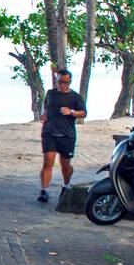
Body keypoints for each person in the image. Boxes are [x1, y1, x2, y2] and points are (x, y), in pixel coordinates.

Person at [39, 69, 87, 203]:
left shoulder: (76, 97)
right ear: (57, 80)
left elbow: (83, 113)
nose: (62, 85)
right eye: (60, 82)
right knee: (48, 161)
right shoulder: (50, 93)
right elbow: (45, 106)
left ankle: (66, 185)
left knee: (65, 164)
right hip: (49, 132)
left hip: (67, 134)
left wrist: (70, 111)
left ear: (69, 82)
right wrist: (44, 114)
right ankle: (44, 190)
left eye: (65, 82)